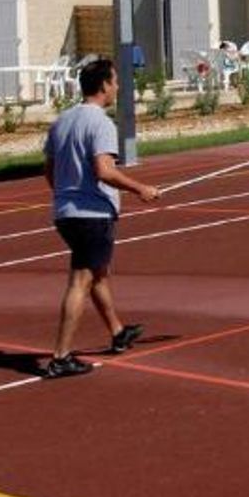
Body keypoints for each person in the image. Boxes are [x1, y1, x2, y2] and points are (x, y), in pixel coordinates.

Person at [42, 57, 159, 378]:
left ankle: (118, 332)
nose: (118, 86)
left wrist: (66, 195)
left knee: (98, 274)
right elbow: (104, 170)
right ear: (104, 85)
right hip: (91, 214)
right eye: (116, 81)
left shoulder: (61, 121)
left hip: (66, 213)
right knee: (82, 279)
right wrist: (140, 189)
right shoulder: (102, 123)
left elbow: (50, 171)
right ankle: (61, 356)